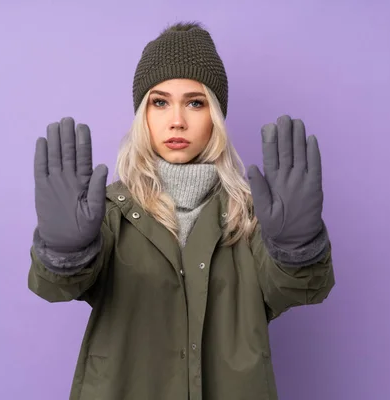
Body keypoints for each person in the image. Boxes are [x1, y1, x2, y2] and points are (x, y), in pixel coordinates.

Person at [28, 21, 335, 400]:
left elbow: (299, 291)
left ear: (215, 115)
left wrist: (298, 248)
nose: (177, 120)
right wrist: (64, 252)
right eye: (159, 102)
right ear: (143, 113)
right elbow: (56, 288)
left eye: (195, 102)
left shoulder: (253, 215)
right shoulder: (107, 212)